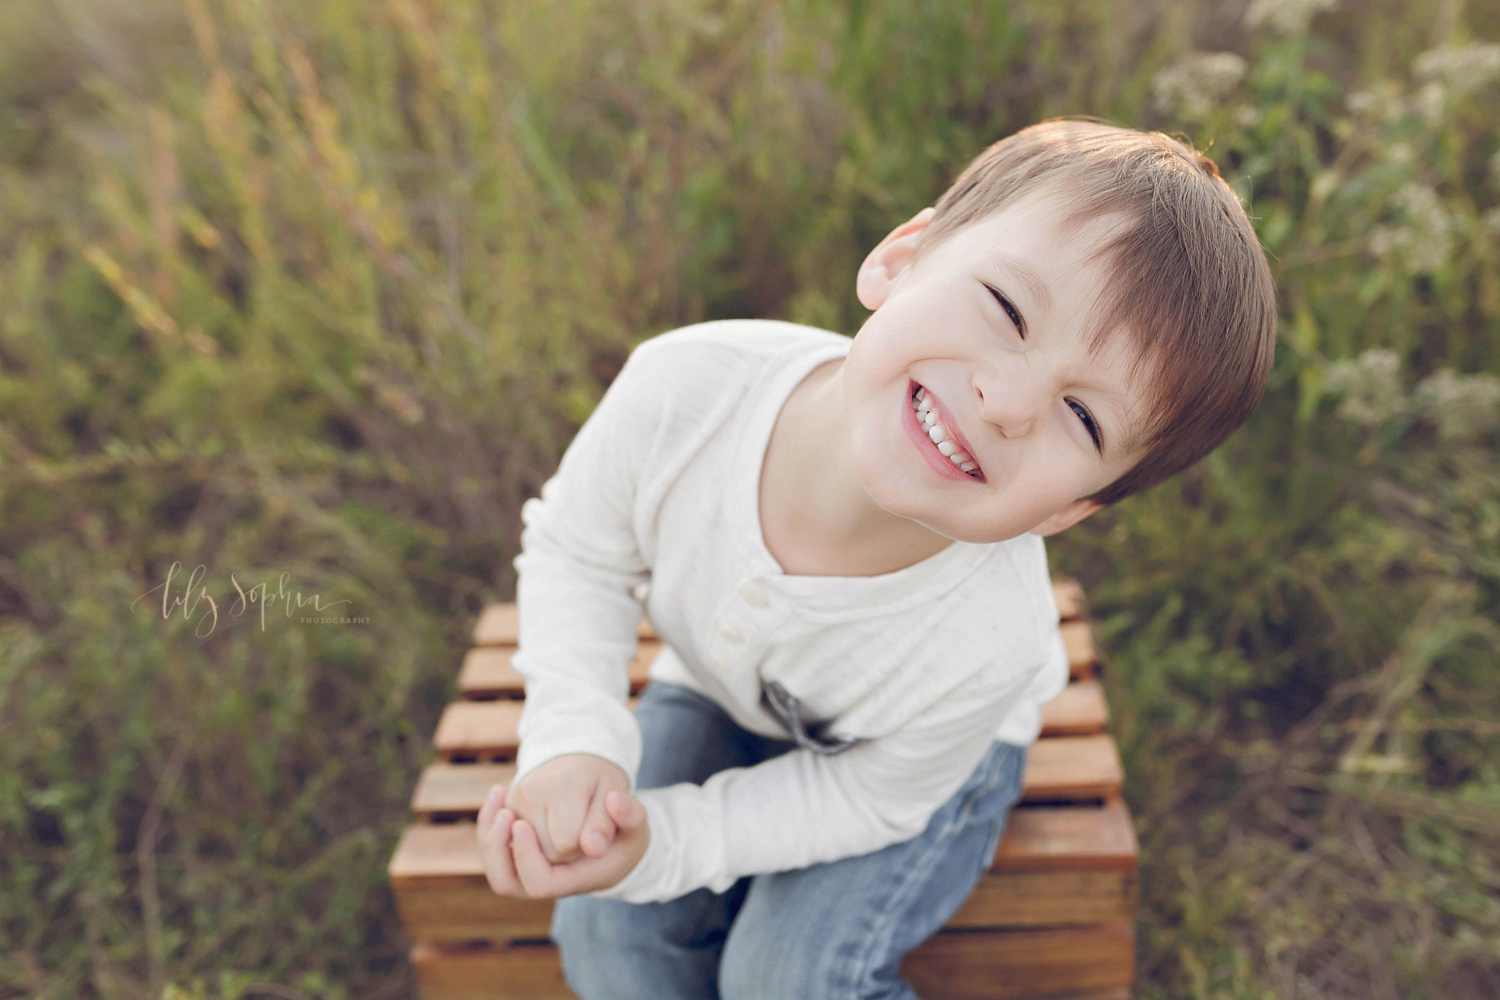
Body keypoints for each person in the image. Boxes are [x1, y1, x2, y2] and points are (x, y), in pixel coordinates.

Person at [475, 118, 1277, 999]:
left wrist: (674, 839)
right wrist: (574, 739)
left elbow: (868, 798)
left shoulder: (986, 642)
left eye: (1082, 418)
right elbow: (576, 554)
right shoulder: (686, 391)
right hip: (721, 685)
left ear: (1071, 509)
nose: (1004, 401)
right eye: (1007, 310)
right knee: (603, 929)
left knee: (787, 978)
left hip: (918, 763)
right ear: (902, 258)